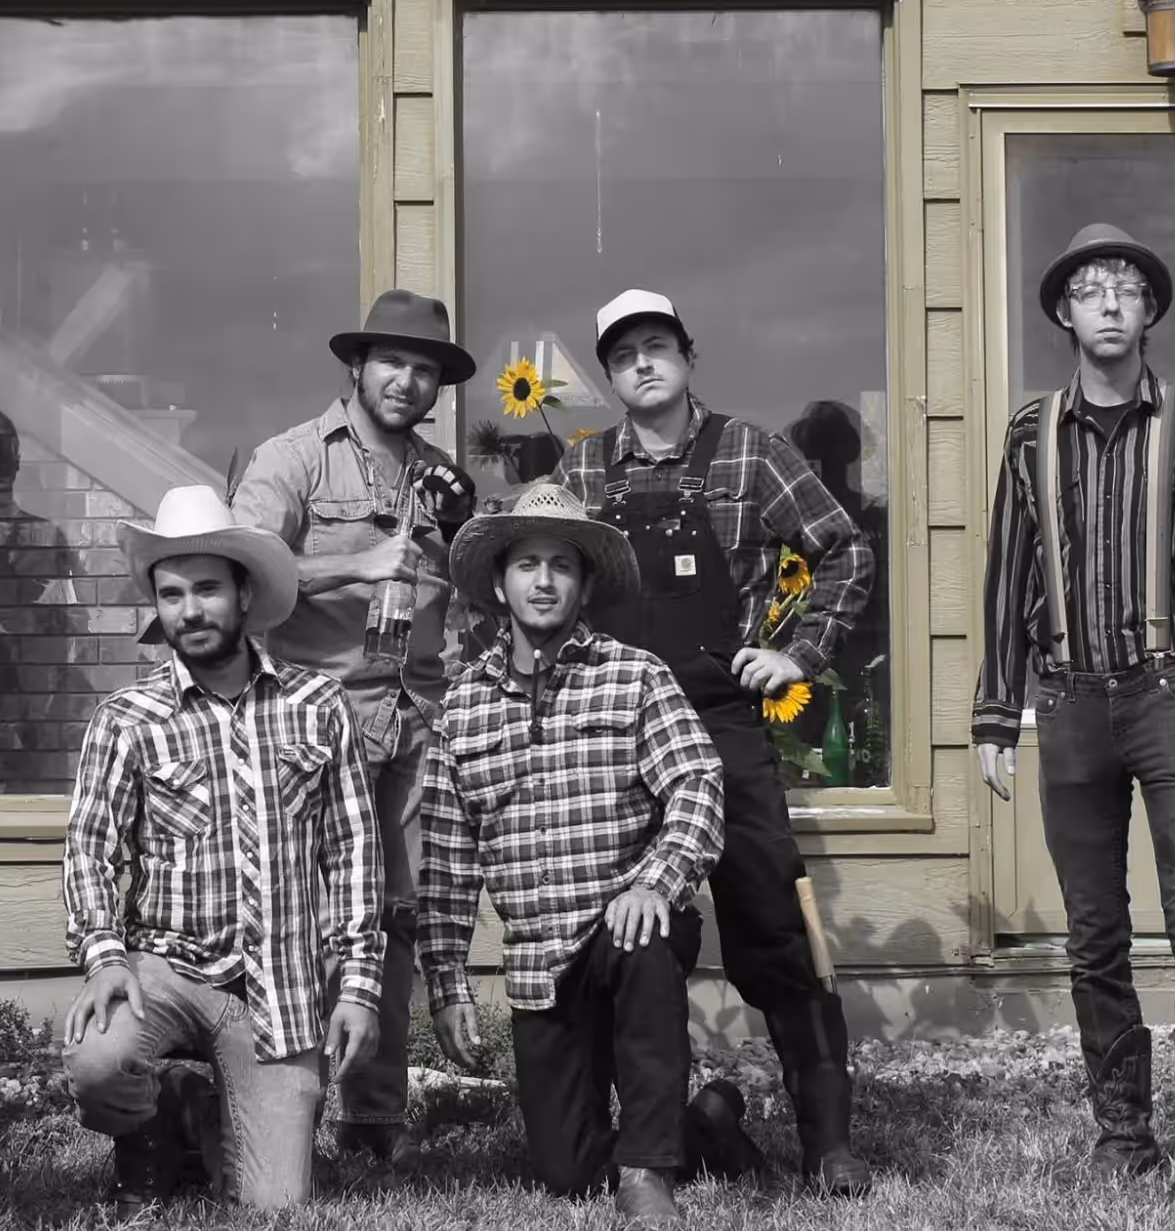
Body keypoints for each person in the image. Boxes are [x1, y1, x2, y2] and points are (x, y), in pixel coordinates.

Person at [554, 289, 876, 1195]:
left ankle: (828, 1144)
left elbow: (842, 549)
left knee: (771, 913)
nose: (642, 365)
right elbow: (527, 573)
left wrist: (799, 652)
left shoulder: (750, 451)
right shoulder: (582, 474)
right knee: (614, 917)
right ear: (610, 376)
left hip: (721, 714)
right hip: (614, 723)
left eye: (657, 348)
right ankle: (650, 1129)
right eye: (623, 357)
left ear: (688, 356)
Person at [974, 224, 1175, 1200]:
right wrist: (991, 710)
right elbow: (1006, 573)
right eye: (1087, 288)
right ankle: (1122, 1136)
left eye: (1124, 288)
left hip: (1173, 691)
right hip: (1065, 700)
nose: (1105, 301)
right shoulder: (1026, 433)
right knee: (1091, 930)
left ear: (1145, 314)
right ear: (1061, 312)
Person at [420, 484, 764, 1223]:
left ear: (583, 583)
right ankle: (704, 1126)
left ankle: (647, 1171)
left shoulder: (635, 676)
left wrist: (655, 882)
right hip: (540, 961)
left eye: (561, 565)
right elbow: (447, 864)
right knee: (567, 1173)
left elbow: (699, 787)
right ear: (500, 582)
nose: (543, 581)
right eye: (527, 565)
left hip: (623, 930)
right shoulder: (461, 708)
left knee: (644, 937)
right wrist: (446, 983)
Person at [60, 484, 385, 1215]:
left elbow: (355, 850)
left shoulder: (318, 705)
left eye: (206, 589)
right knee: (97, 1062)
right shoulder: (127, 718)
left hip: (279, 986)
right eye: (171, 594)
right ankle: (147, 1129)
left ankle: (198, 1109)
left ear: (243, 593)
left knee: (274, 1205)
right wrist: (105, 957)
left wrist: (360, 983)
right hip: (162, 970)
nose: (190, 610)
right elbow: (90, 849)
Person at [228, 289, 477, 1169]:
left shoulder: (442, 480)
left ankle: (374, 1120)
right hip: (315, 727)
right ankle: (286, 1103)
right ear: (357, 368)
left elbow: (471, 593)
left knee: (396, 919)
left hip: (415, 723)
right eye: (393, 363)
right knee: (307, 919)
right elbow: (242, 577)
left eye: (425, 370)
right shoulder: (294, 459)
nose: (408, 381)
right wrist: (355, 563)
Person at [0, 408, 82, 786]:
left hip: (29, 721)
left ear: (16, 464)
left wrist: (46, 709)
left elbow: (68, 631)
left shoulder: (45, 538)